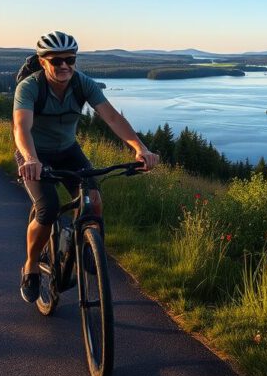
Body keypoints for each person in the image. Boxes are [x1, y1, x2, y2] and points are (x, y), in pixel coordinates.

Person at [13, 31, 159, 302]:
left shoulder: (82, 84)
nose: (65, 65)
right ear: (43, 62)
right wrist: (31, 159)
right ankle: (31, 265)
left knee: (93, 199)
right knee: (48, 209)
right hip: (33, 153)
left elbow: (113, 118)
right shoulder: (30, 87)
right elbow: (22, 127)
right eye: (57, 61)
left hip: (68, 151)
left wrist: (141, 149)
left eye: (70, 59)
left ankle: (90, 245)